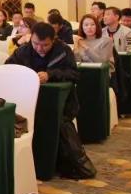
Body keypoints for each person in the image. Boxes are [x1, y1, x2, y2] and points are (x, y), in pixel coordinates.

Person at [6, 23, 96, 179]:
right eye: (36, 44)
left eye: (45, 45)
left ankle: (53, 165)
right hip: (27, 103)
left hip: (61, 105)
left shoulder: (63, 51)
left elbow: (74, 74)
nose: (40, 48)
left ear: (53, 40)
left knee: (53, 120)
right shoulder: (23, 51)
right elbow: (8, 68)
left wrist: (51, 74)